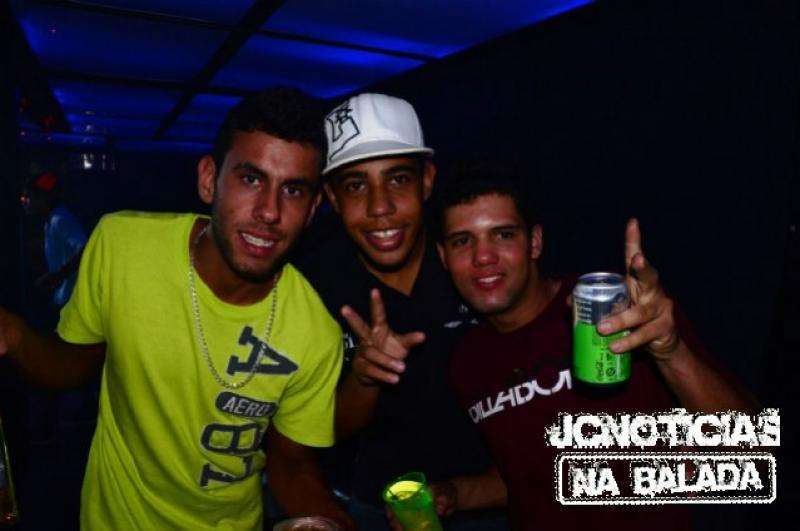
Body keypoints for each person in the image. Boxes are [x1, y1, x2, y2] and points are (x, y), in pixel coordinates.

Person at [0, 87, 352, 530]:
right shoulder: (122, 245)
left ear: (313, 209)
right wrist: (13, 335)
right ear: (209, 179)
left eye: (294, 190)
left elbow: (291, 465)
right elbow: (72, 365)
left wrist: (334, 523)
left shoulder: (316, 335)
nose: (269, 211)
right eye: (250, 179)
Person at [429, 171, 757, 530]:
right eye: (462, 241)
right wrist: (454, 493)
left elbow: (752, 444)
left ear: (534, 242)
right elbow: (523, 477)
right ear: (443, 257)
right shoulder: (466, 363)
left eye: (503, 235)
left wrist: (670, 351)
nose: (483, 257)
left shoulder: (624, 311)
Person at [297, 94, 507, 529]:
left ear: (426, 181)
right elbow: (319, 433)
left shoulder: (472, 257)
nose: (380, 207)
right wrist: (364, 377)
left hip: (488, 498)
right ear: (332, 197)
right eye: (356, 186)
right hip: (371, 507)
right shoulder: (312, 286)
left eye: (397, 179)